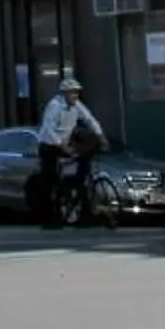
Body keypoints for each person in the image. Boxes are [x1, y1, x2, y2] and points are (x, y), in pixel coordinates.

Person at [33, 77, 105, 225]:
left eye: (76, 93)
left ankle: (83, 209)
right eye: (72, 93)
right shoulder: (54, 105)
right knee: (50, 180)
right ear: (64, 93)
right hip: (49, 145)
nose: (75, 96)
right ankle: (50, 217)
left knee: (83, 169)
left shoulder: (77, 105)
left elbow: (89, 119)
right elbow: (48, 128)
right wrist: (62, 146)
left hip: (64, 143)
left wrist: (101, 136)